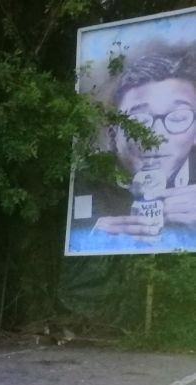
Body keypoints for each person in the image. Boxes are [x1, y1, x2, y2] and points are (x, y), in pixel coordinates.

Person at [70, 51, 196, 248]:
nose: (155, 138)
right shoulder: (83, 179)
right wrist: (89, 239)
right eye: (138, 122)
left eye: (178, 118)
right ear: (112, 133)